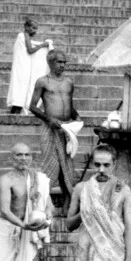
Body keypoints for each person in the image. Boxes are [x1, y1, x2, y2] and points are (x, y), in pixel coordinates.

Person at [30, 50, 80, 207]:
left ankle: (68, 201)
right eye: (59, 62)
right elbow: (32, 106)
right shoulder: (42, 82)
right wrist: (49, 119)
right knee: (52, 164)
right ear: (50, 63)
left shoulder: (69, 82)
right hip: (50, 127)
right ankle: (43, 200)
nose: (62, 65)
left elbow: (69, 106)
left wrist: (77, 118)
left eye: (64, 62)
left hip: (65, 129)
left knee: (67, 165)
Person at [7, 19, 51, 114]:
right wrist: (42, 45)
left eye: (36, 29)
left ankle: (14, 111)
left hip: (22, 67)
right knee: (21, 88)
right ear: (26, 27)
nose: (34, 31)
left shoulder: (23, 36)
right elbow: (30, 50)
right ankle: (16, 111)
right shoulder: (24, 35)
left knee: (21, 89)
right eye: (33, 28)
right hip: (21, 68)